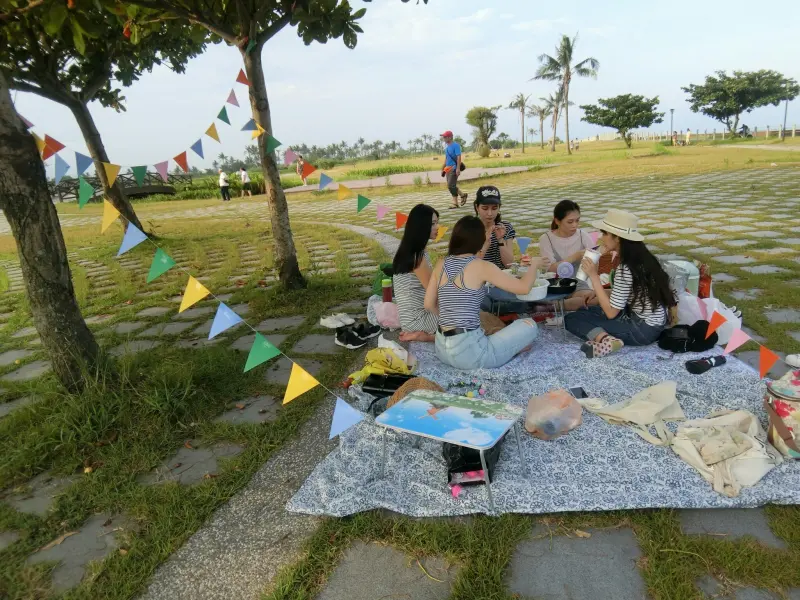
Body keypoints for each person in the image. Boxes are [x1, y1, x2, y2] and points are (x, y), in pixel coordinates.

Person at [424, 216, 550, 369]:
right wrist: (534, 265)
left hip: (442, 348)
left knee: (485, 319)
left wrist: (452, 321)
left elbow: (429, 304)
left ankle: (506, 346)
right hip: (472, 354)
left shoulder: (441, 263)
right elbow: (523, 288)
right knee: (529, 324)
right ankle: (510, 349)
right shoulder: (482, 266)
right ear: (479, 239)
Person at [564, 209, 675, 358]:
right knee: (587, 311)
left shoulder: (626, 267)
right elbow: (627, 295)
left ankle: (607, 340)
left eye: (604, 233)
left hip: (641, 330)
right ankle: (606, 337)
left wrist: (594, 276)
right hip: (654, 324)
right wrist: (597, 292)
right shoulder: (644, 258)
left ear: (617, 238)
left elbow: (611, 313)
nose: (602, 238)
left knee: (572, 318)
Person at [392, 204, 440, 342]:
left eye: (437, 222)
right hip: (417, 320)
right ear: (421, 227)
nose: (437, 227)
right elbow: (434, 292)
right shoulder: (417, 257)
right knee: (464, 320)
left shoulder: (412, 251)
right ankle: (427, 337)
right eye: (432, 224)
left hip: (411, 317)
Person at [539, 200, 598, 311]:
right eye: (570, 222)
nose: (575, 225)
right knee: (585, 302)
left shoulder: (583, 236)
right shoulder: (546, 239)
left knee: (591, 299)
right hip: (554, 284)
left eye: (577, 221)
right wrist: (575, 257)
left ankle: (556, 306)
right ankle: (562, 305)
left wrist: (592, 259)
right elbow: (549, 268)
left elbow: (595, 267)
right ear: (557, 221)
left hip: (578, 284)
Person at [440, 130, 468, 209]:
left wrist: (458, 168)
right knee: (451, 185)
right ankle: (462, 196)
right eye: (443, 137)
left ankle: (456, 202)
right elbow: (446, 159)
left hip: (454, 168)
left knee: (450, 185)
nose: (444, 138)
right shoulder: (447, 148)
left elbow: (458, 157)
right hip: (447, 169)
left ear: (450, 137)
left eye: (445, 137)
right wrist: (443, 169)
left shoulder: (456, 146)